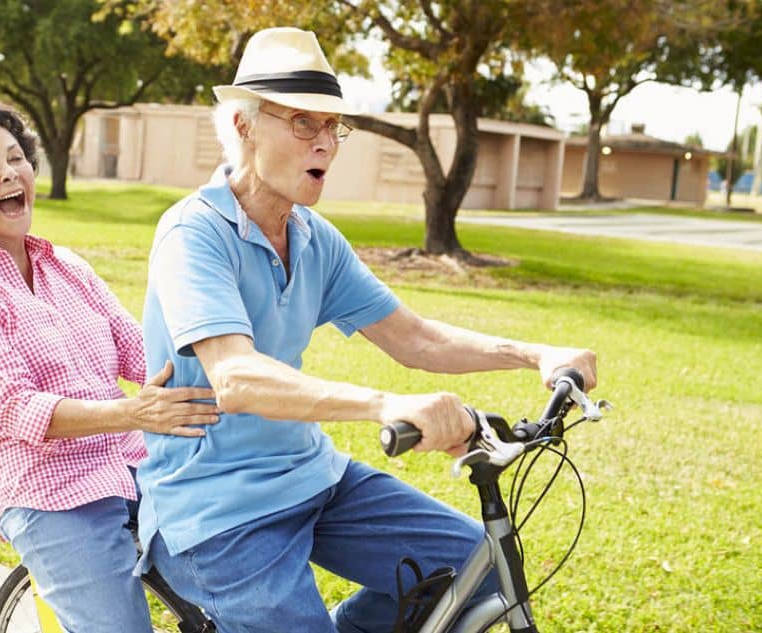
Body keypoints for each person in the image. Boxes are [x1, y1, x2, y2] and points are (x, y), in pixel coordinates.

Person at [136, 27, 597, 633]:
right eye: (304, 122)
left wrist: (535, 354)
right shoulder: (193, 234)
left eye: (333, 126)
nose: (325, 141)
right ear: (244, 125)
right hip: (217, 509)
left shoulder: (312, 237)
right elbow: (236, 378)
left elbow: (415, 337)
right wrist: (386, 404)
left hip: (310, 477)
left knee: (476, 568)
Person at [0, 98, 220, 633]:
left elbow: (142, 351)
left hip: (133, 469)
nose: (9, 174)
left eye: (15, 159)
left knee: (243, 577)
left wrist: (225, 370)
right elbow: (16, 408)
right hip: (49, 494)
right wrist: (133, 413)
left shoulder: (66, 267)